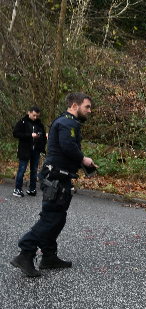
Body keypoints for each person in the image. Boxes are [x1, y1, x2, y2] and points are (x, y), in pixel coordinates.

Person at [11, 93, 96, 277]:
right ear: (75, 105)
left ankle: (49, 256)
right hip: (56, 178)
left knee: (56, 217)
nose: (89, 111)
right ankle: (25, 252)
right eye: (87, 107)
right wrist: (84, 159)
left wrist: (81, 163)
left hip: (57, 177)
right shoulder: (69, 123)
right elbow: (67, 146)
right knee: (51, 218)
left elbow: (64, 148)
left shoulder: (63, 121)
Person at [12, 106, 47, 197]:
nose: (35, 117)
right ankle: (17, 189)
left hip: (36, 151)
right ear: (29, 113)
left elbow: (43, 138)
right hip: (24, 150)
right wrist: (30, 135)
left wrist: (42, 147)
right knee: (22, 169)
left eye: (37, 116)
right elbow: (15, 133)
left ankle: (32, 189)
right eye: (34, 115)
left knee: (34, 170)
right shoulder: (22, 122)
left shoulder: (40, 124)